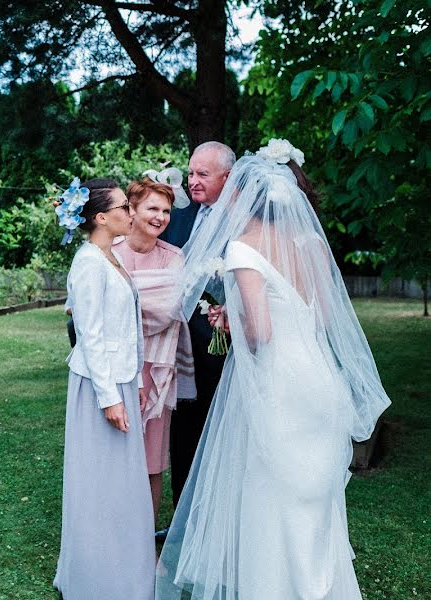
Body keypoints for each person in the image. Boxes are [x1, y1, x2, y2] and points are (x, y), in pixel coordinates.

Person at [156, 141, 391, 599]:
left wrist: (235, 316)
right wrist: (244, 314)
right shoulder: (311, 245)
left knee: (270, 490)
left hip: (275, 382)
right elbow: (321, 318)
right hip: (317, 378)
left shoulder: (243, 250)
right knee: (313, 495)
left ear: (246, 199)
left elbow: (260, 333)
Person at [53, 178, 154, 600]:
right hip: (99, 388)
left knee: (121, 483)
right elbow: (90, 334)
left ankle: (123, 567)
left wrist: (136, 379)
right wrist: (110, 397)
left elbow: (126, 326)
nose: (132, 214)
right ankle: (98, 577)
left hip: (121, 379)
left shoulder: (110, 257)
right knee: (99, 482)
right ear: (100, 217)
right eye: (124, 208)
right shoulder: (89, 263)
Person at [112, 175, 195, 527]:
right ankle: (111, 540)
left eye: (166, 210)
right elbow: (98, 315)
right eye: (152, 208)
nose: (160, 216)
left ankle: (144, 544)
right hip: (116, 369)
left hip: (157, 372)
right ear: (132, 209)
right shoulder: (110, 253)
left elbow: (169, 310)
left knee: (151, 463)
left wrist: (129, 302)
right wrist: (138, 304)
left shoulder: (174, 257)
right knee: (114, 458)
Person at [159, 141, 236, 508]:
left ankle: (216, 516)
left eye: (202, 174)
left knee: (220, 429)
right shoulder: (178, 216)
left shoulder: (243, 221)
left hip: (223, 343)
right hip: (178, 343)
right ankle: (180, 520)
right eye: (190, 173)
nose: (192, 181)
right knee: (182, 428)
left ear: (228, 176)